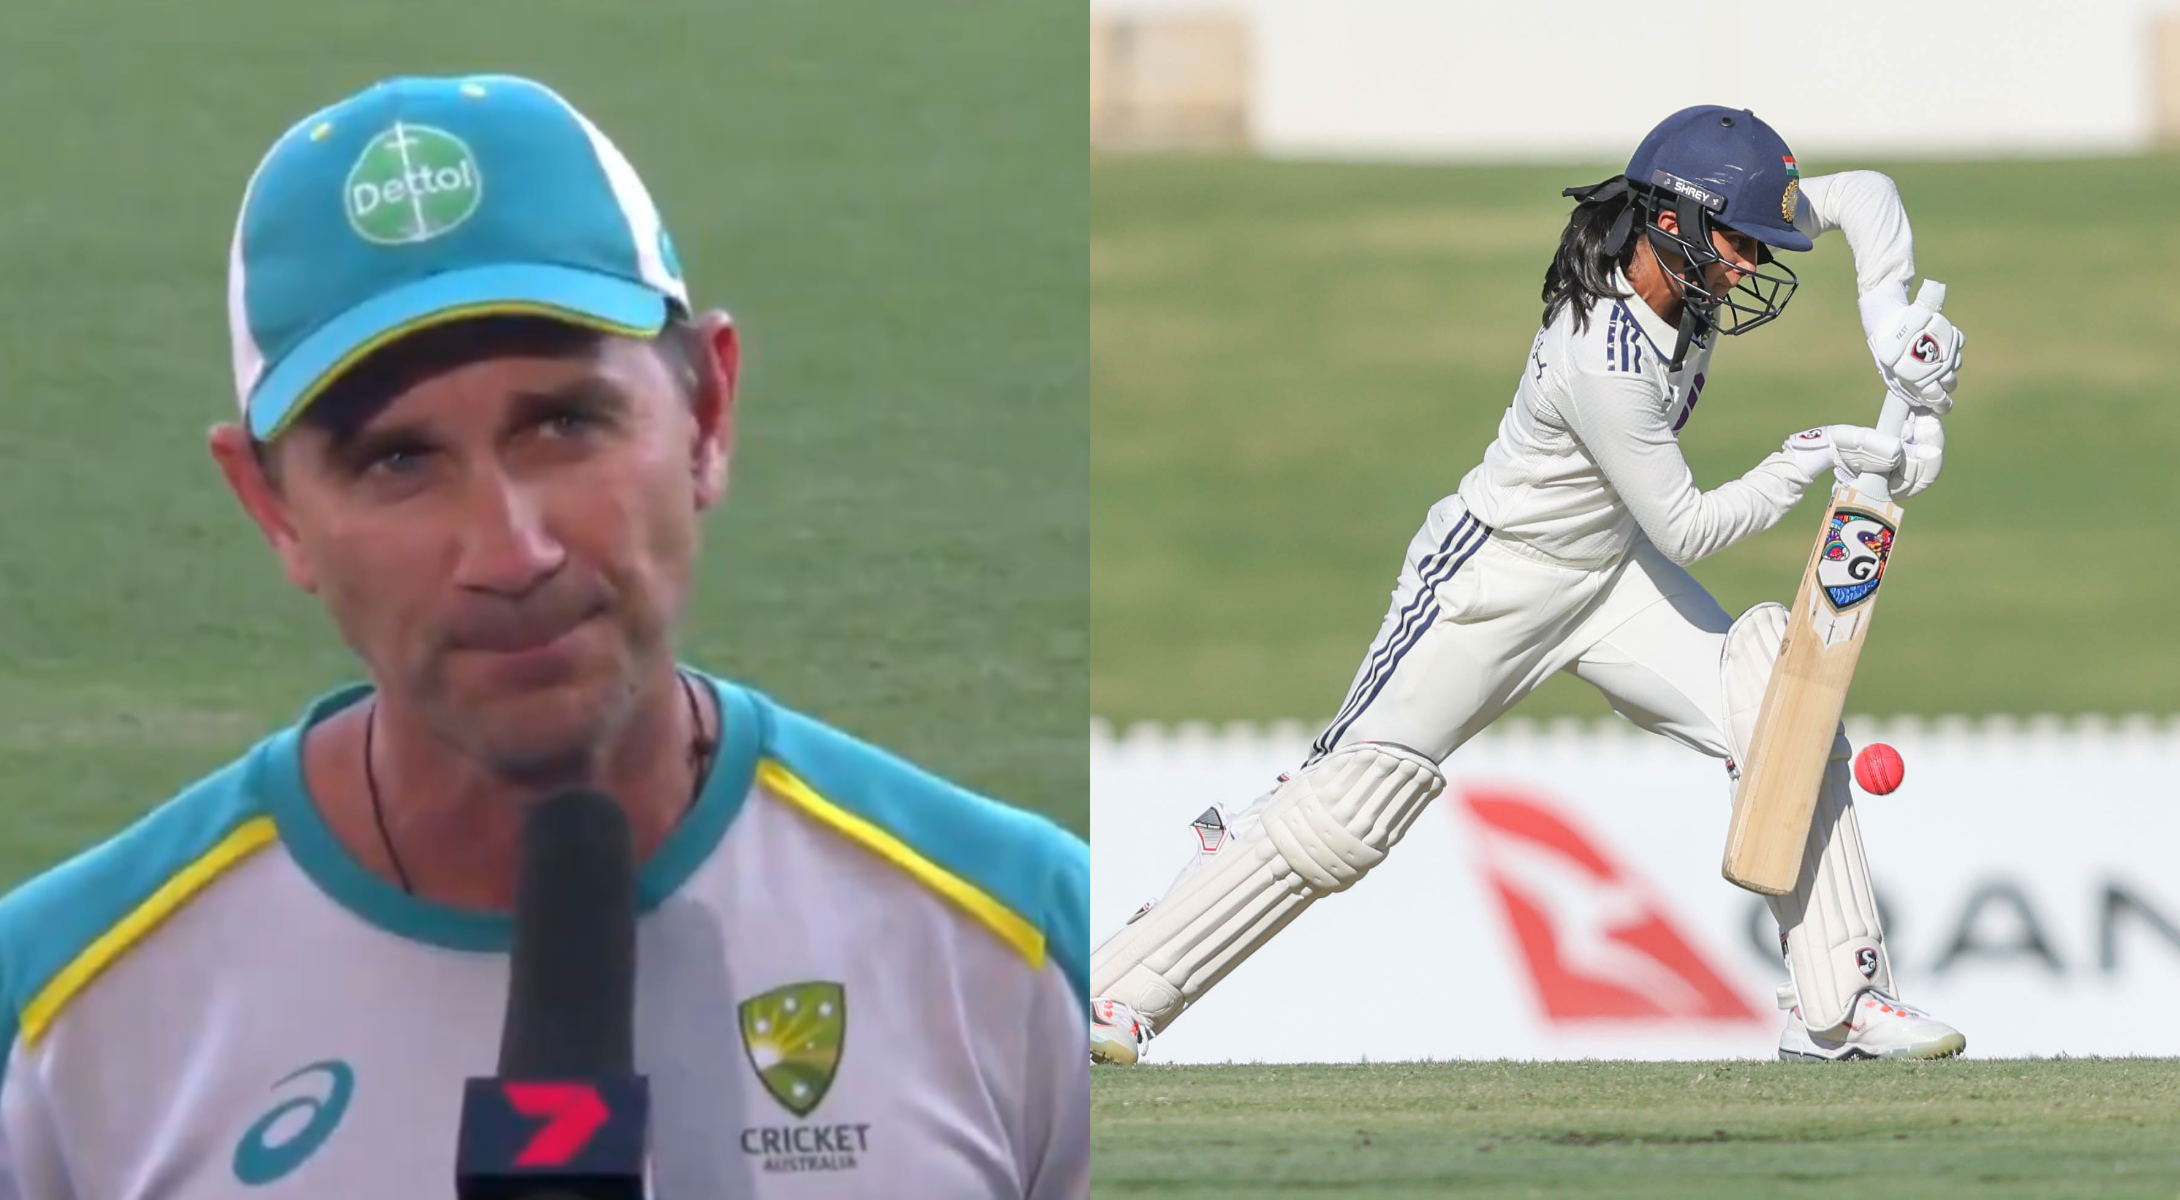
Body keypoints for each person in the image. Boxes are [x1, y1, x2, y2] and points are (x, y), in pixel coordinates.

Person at [0, 74, 1087, 1196]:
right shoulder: (52, 1028)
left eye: (565, 423)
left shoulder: (1028, 950)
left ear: (707, 416)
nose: (510, 552)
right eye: (398, 460)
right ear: (272, 508)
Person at [1090, 106, 1966, 1066]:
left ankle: (1841, 1003)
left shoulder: (1697, 257)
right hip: (1491, 581)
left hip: (1610, 573)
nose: (1752, 265)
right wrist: (1817, 453)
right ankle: (1112, 993)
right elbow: (1690, 527)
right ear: (1670, 220)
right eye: (1740, 243)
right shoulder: (1601, 354)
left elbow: (1869, 196)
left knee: (1777, 697)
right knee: (1347, 808)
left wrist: (1890, 325)